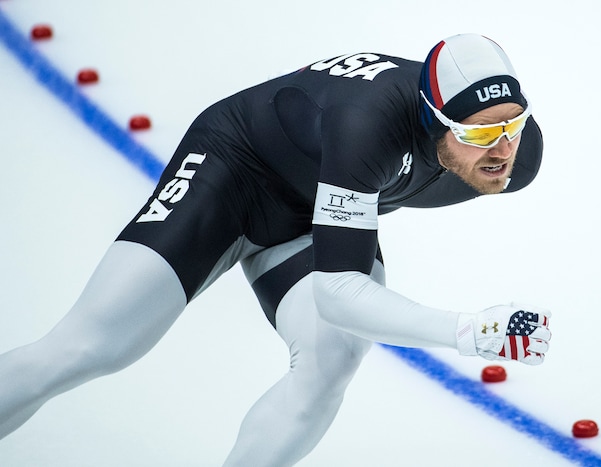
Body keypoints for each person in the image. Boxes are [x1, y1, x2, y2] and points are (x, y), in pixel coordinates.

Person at [0, 33, 552, 465]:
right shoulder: (369, 126)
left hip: (316, 206)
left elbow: (339, 290)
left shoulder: (516, 158)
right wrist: (470, 331)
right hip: (232, 171)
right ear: (433, 118)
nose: (502, 149)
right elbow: (337, 295)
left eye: (513, 125)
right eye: (479, 134)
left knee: (329, 364)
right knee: (90, 347)